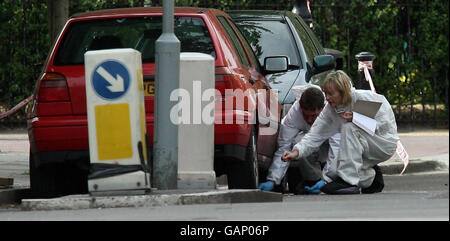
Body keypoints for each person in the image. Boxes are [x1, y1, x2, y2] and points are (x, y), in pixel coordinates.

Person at [282, 70, 399, 194]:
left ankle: (348, 183)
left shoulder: (361, 98)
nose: (327, 98)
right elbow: (315, 135)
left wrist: (356, 118)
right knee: (336, 170)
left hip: (384, 142)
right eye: (326, 93)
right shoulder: (330, 110)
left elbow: (383, 125)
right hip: (364, 144)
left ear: (343, 92)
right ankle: (371, 178)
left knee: (349, 128)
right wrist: (296, 152)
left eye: (331, 94)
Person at [258, 86, 341, 194]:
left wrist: (327, 180)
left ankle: (340, 181)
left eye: (313, 115)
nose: (309, 120)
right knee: (297, 142)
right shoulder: (294, 115)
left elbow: (337, 147)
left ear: (322, 108)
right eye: (305, 115)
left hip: (331, 144)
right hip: (312, 143)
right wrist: (272, 179)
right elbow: (284, 147)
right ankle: (312, 181)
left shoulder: (332, 112)